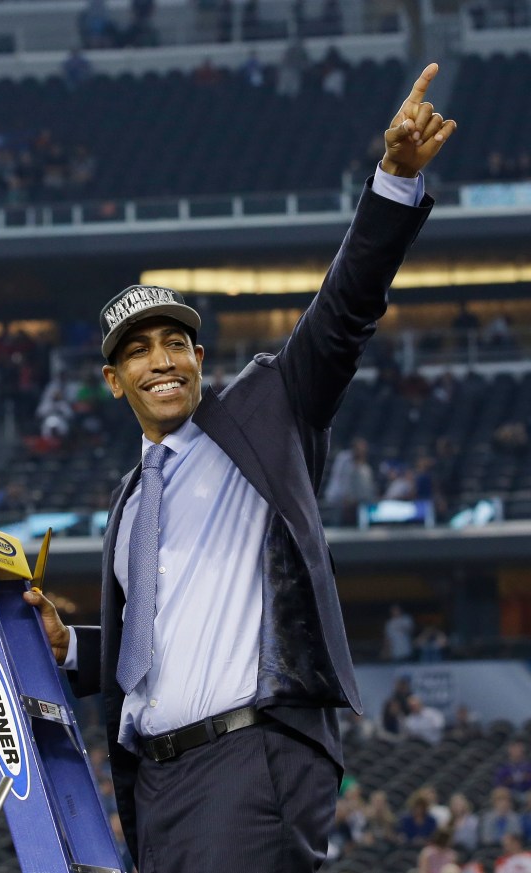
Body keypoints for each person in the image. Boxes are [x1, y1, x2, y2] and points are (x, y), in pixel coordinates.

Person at [23, 63, 456, 872]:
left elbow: (344, 312)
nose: (162, 361)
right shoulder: (126, 505)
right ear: (112, 380)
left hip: (252, 762)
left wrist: (393, 181)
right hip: (154, 784)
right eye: (138, 351)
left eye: (175, 342)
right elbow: (159, 643)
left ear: (197, 356)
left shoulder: (264, 411)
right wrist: (73, 648)